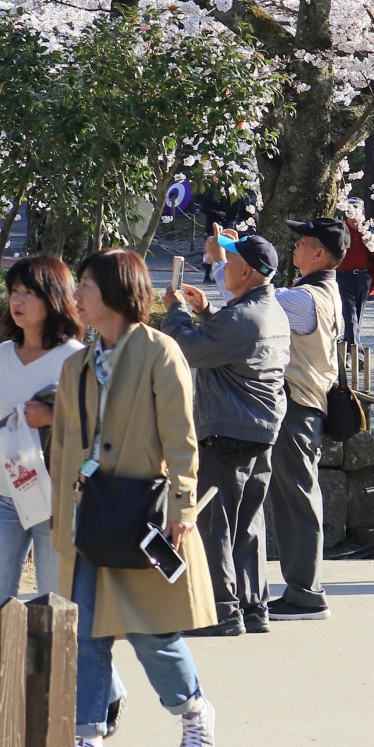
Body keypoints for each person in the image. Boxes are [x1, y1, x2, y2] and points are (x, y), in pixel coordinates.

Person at [48, 249, 216, 747]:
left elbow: (182, 439)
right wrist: (59, 517)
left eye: (87, 287)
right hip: (89, 513)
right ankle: (89, 736)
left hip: (144, 512)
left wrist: (184, 505)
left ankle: (192, 710)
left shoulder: (160, 352)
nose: (76, 296)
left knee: (150, 631)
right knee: (87, 629)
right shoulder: (76, 362)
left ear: (118, 293)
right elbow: (64, 447)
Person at [0, 256, 109, 737]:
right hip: (4, 494)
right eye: (13, 291)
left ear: (53, 298)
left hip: (56, 499)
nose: (17, 300)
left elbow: (96, 426)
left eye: (28, 292)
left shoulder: (76, 356)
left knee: (60, 603)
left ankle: (103, 693)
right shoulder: (1, 355)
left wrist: (51, 417)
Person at [165, 233, 290, 636]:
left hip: (227, 428)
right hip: (262, 427)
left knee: (216, 522)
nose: (222, 264)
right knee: (250, 522)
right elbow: (231, 335)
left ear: (247, 271)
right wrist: (207, 310)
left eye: (229, 259)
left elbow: (186, 348)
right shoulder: (269, 311)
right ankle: (254, 607)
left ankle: (221, 610)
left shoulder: (240, 318)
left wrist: (178, 311)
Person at [266, 217, 347, 621]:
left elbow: (253, 303)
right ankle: (304, 588)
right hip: (311, 404)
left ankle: (305, 593)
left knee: (296, 499)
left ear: (320, 253)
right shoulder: (328, 291)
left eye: (303, 241)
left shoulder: (302, 299)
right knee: (297, 497)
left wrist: (227, 259)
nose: (294, 245)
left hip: (297, 404)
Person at [336, 213, 373, 346]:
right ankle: (357, 353)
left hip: (363, 276)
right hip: (344, 276)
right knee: (350, 315)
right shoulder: (340, 229)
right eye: (350, 214)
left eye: (356, 214)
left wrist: (370, 243)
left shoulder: (369, 230)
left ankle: (347, 347)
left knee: (357, 315)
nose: (353, 218)